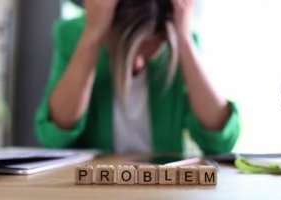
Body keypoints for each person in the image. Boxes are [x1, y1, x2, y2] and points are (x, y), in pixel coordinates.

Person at [35, 0, 240, 155]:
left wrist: (184, 41)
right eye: (125, 49)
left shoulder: (180, 45)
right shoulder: (73, 35)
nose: (137, 64)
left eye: (149, 47)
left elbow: (221, 142)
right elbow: (54, 137)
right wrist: (92, 36)